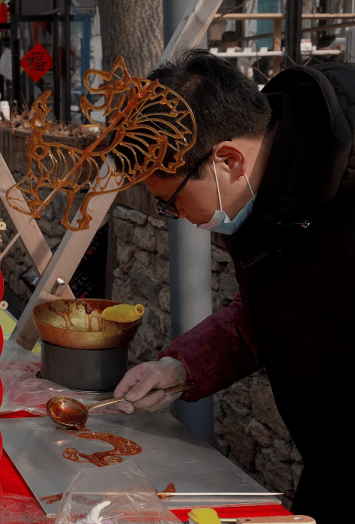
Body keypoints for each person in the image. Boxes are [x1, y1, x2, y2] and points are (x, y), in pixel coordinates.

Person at [111, 49, 355, 523]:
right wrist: (182, 367)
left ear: (228, 160)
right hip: (330, 472)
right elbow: (274, 309)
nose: (175, 217)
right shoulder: (270, 195)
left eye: (171, 202)